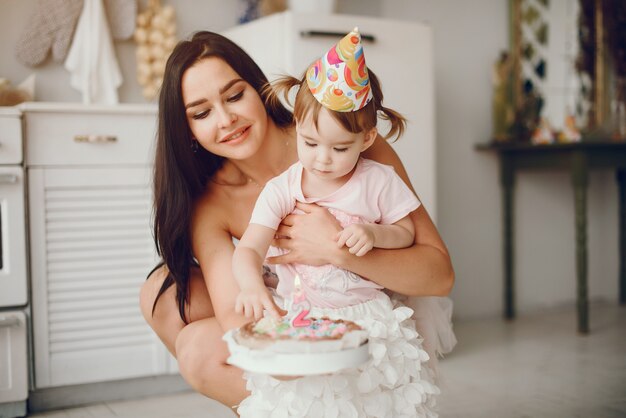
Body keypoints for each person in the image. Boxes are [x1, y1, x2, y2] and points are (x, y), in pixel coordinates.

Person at [139, 29, 454, 412]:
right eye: (202, 113)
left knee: (199, 341)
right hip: (296, 308)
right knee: (171, 309)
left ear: (259, 90)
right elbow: (234, 313)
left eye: (235, 95)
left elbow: (440, 275)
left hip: (368, 307)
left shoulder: (345, 140)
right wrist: (296, 351)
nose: (226, 120)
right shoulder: (211, 203)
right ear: (186, 130)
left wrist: (337, 251)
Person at [229, 27, 443, 417]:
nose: (322, 159)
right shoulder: (283, 189)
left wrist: (374, 233)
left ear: (366, 138)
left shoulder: (378, 180)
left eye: (339, 148)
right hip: (303, 319)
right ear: (297, 125)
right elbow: (250, 246)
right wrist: (248, 284)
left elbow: (407, 233)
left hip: (368, 317)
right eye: (310, 143)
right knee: (313, 405)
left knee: (374, 401)